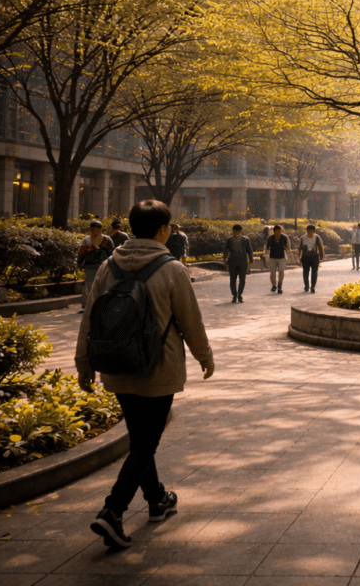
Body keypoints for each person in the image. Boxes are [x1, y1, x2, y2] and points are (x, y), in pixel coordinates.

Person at [76, 200, 214, 550]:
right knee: (146, 442)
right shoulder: (172, 269)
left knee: (140, 439)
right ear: (163, 229)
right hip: (158, 368)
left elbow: (89, 318)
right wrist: (205, 356)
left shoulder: (109, 265)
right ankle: (113, 511)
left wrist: (84, 364)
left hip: (117, 364)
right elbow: (190, 321)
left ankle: (157, 500)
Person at [78, 220, 115, 307]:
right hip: (91, 266)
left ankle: (102, 304)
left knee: (103, 285)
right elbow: (81, 253)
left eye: (96, 230)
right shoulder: (87, 240)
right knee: (91, 286)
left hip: (103, 267)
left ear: (100, 230)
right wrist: (80, 263)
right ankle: (93, 305)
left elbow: (111, 253)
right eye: (92, 230)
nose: (94, 232)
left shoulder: (106, 240)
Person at [223, 224, 253, 303]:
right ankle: (234, 295)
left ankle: (239, 295)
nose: (235, 233)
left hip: (243, 262)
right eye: (234, 231)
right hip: (232, 262)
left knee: (242, 280)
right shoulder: (229, 240)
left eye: (237, 231)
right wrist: (225, 260)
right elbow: (226, 251)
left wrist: (251, 259)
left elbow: (249, 250)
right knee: (232, 280)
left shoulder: (246, 240)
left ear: (240, 232)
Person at [298, 225, 326, 293]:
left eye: (311, 231)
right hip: (305, 257)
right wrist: (299, 256)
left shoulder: (317, 237)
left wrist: (321, 256)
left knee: (314, 272)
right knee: (305, 272)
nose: (310, 232)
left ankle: (313, 286)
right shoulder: (303, 238)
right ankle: (306, 286)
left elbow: (320, 246)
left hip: (314, 257)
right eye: (308, 231)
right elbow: (300, 248)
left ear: (314, 231)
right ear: (306, 231)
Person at [265, 224, 291, 293]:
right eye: (276, 231)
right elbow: (267, 248)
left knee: (281, 271)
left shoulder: (284, 237)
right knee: (272, 272)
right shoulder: (270, 238)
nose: (278, 233)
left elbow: (288, 247)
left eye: (279, 231)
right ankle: (274, 285)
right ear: (274, 231)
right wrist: (266, 256)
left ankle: (279, 286)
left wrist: (288, 254)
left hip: (282, 257)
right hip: (272, 257)